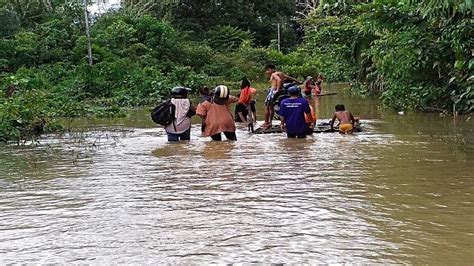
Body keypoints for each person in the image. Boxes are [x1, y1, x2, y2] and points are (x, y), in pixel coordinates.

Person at [263, 64, 301, 129]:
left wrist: (277, 90)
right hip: (281, 91)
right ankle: (270, 122)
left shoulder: (274, 74)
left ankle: (267, 122)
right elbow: (290, 78)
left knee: (267, 107)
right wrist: (298, 81)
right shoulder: (281, 73)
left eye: (268, 70)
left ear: (272, 69)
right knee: (271, 107)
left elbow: (279, 80)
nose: (267, 72)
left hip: (274, 91)